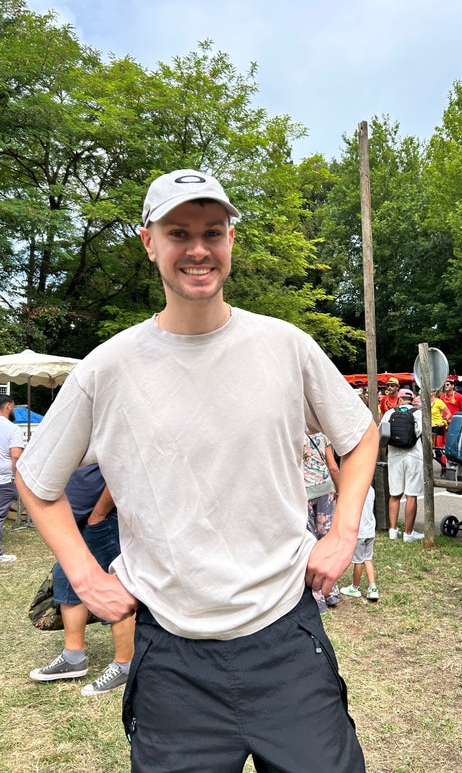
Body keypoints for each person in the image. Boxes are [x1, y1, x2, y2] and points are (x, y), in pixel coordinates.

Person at [16, 169, 379, 773]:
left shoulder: (284, 346)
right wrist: (84, 574)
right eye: (178, 233)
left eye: (212, 232)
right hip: (172, 657)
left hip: (285, 636)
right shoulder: (108, 368)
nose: (198, 249)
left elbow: (360, 433)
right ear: (148, 242)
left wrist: (343, 533)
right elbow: (36, 479)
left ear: (230, 240)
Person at [29, 464, 135, 695]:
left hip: (103, 517)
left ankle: (125, 664)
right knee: (66, 580)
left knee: (114, 586)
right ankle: (73, 657)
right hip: (74, 519)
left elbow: (122, 468)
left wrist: (99, 514)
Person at [380, 388, 424, 542]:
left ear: (399, 399)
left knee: (395, 494)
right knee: (411, 494)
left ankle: (393, 530)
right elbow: (421, 433)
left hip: (394, 456)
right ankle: (408, 533)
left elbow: (382, 434)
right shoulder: (419, 414)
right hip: (413, 455)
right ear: (412, 400)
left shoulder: (389, 413)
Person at [304, 432, 341, 612]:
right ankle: (331, 591)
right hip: (325, 491)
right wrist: (340, 489)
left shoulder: (295, 433)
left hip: (304, 492)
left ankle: (317, 597)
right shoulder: (323, 435)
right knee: (326, 539)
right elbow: (333, 466)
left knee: (310, 542)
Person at [340, 485, 378, 600]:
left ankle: (355, 588)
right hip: (370, 530)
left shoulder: (354, 489)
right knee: (368, 559)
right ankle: (373, 589)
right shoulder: (371, 489)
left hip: (359, 532)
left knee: (358, 561)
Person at [0, 395, 24, 563]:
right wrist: (16, 475)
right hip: (5, 479)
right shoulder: (12, 428)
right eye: (13, 406)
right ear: (8, 406)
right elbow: (16, 454)